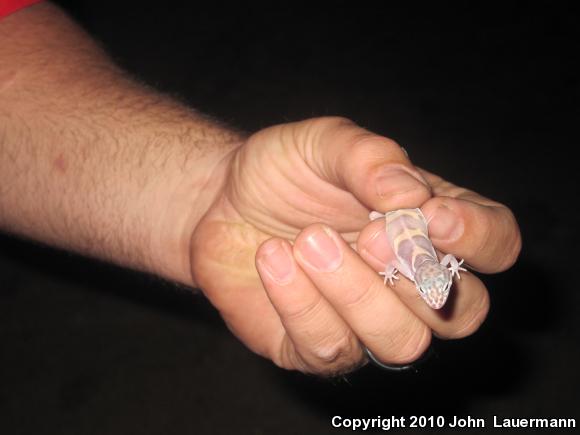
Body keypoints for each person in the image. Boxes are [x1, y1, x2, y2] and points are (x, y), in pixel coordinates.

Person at [0, 2, 521, 376]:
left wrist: (208, 196)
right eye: (437, 286)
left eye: (436, 287)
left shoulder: (429, 267)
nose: (440, 293)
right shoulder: (427, 267)